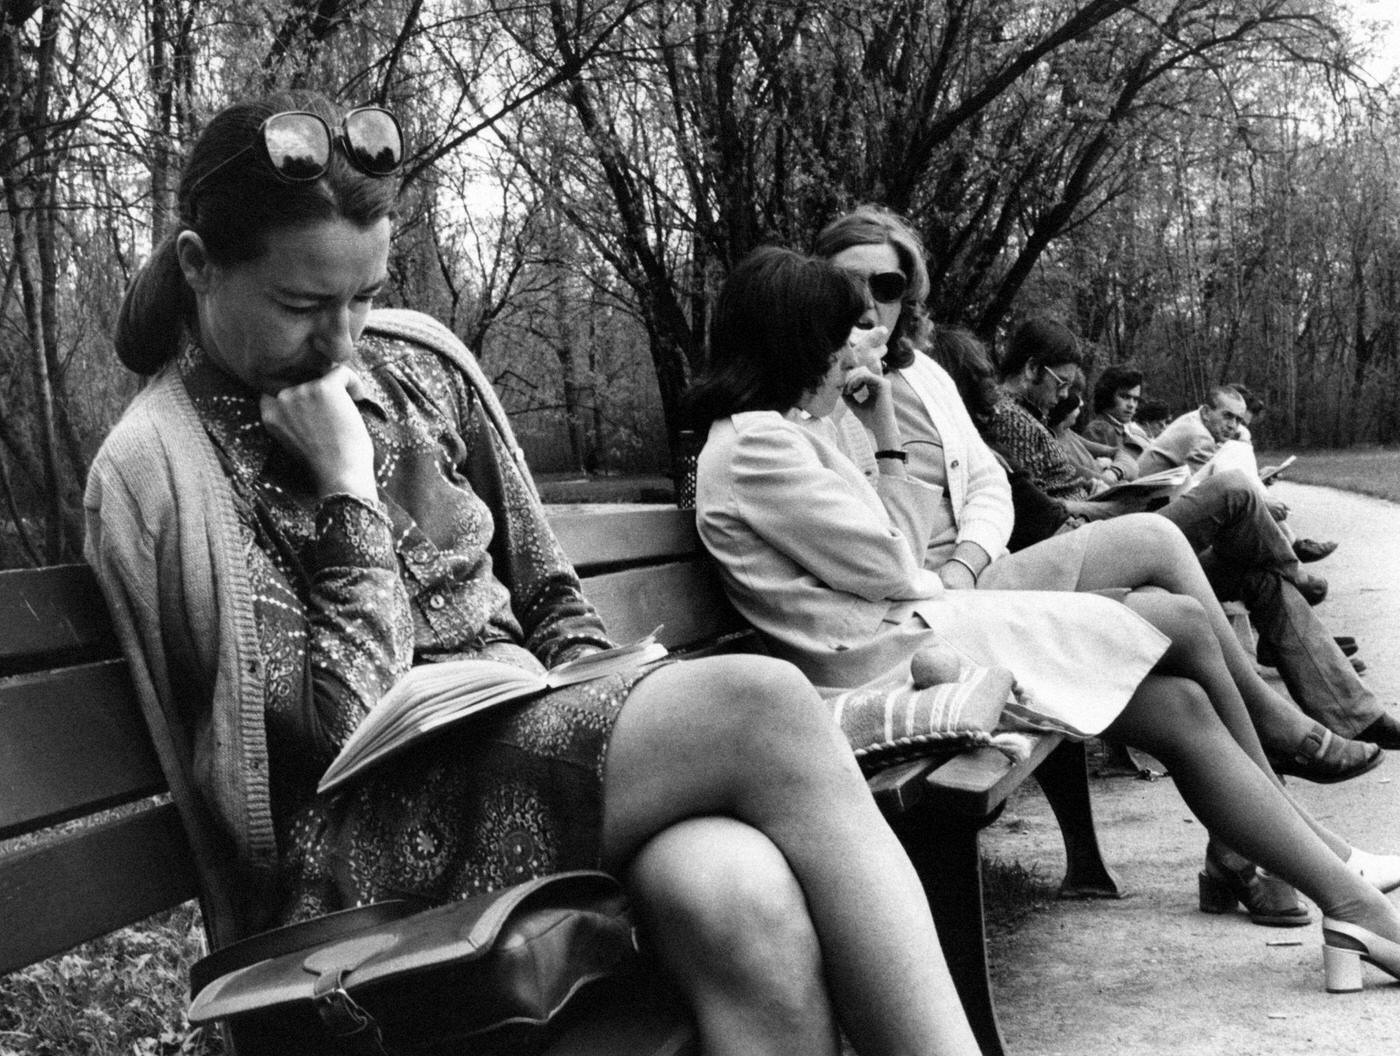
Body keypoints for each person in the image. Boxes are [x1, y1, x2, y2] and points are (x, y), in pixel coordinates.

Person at [83, 91, 988, 1056]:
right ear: (197, 266)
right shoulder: (156, 471)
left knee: (734, 889)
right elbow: (335, 748)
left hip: (533, 753)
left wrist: (606, 695)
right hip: (360, 860)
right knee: (763, 703)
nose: (344, 342)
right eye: (304, 306)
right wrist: (349, 491)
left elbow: (553, 597)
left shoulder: (421, 368)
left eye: (367, 297)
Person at [690, 245, 1400, 992]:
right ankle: (1341, 881)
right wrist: (890, 440)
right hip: (883, 656)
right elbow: (896, 561)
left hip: (914, 628)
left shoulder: (778, 431)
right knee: (1177, 624)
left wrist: (876, 444)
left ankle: (1347, 901)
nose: (848, 354)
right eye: (833, 339)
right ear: (792, 343)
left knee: (1182, 699)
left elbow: (891, 554)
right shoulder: (757, 446)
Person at [1047, 388, 1137, 488]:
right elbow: (1097, 479)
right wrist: (1117, 473)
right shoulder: (1053, 446)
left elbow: (1118, 453)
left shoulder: (1067, 433)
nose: (1081, 406)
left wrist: (1115, 471)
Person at [1084, 364, 1151, 459]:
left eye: (1135, 399)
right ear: (1108, 395)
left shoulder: (1123, 429)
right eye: (1125, 397)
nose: (1131, 405)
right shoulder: (1099, 430)